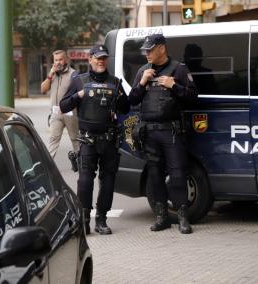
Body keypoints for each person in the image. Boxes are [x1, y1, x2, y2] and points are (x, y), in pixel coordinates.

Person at [129, 34, 198, 234]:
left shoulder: (179, 69)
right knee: (155, 176)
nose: (147, 53)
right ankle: (162, 217)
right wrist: (142, 82)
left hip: (171, 132)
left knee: (177, 175)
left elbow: (194, 97)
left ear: (162, 48)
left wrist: (173, 85)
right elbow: (133, 100)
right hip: (149, 133)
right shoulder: (143, 70)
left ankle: (183, 218)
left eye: (150, 49)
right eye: (145, 50)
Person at [60, 44, 130, 235]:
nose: (101, 61)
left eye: (103, 58)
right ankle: (84, 220)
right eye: (97, 58)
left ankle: (101, 220)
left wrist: (120, 96)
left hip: (108, 141)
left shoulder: (115, 82)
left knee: (108, 181)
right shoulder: (79, 80)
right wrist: (80, 95)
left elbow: (125, 108)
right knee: (84, 182)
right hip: (88, 141)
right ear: (89, 59)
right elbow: (63, 106)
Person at [41, 50, 79, 159]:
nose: (58, 62)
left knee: (75, 139)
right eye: (56, 60)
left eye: (60, 59)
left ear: (66, 60)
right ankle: (48, 167)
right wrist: (50, 75)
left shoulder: (73, 74)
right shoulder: (52, 75)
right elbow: (43, 90)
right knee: (53, 140)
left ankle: (82, 165)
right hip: (56, 114)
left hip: (70, 113)